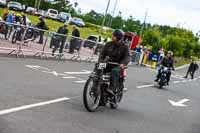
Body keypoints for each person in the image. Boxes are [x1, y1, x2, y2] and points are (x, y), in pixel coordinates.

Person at [98, 29, 130, 95]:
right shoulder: (108, 44)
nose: (112, 36)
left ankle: (111, 89)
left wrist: (123, 63)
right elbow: (102, 53)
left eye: (114, 36)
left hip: (118, 65)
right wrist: (100, 61)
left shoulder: (125, 47)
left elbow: (127, 57)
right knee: (98, 68)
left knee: (115, 71)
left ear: (118, 37)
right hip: (108, 64)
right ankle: (95, 87)